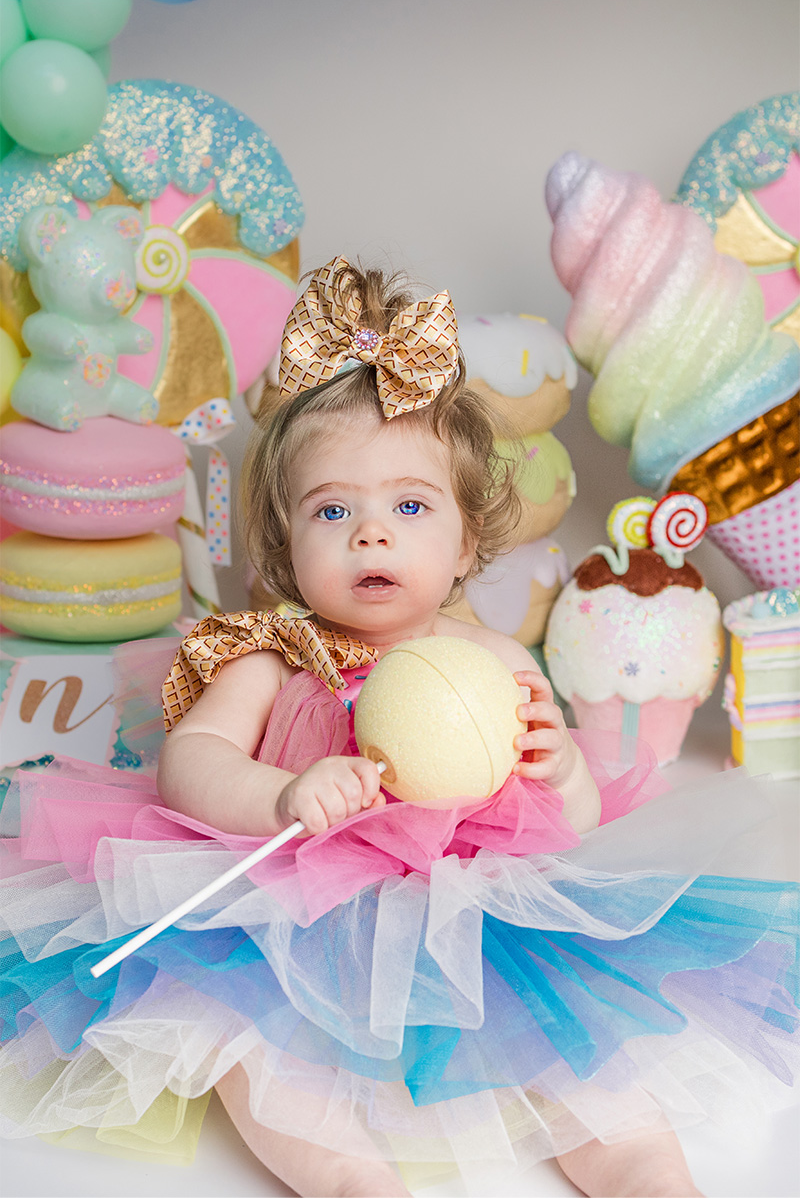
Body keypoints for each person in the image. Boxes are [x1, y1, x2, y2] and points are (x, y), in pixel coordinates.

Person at [1, 260, 797, 1198]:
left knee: (575, 1049)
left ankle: (641, 1172)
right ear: (286, 546)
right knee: (244, 1042)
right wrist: (281, 793)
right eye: (332, 510)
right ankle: (348, 1181)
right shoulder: (276, 658)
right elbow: (191, 763)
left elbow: (573, 827)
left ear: (465, 541)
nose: (370, 534)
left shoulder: (494, 663)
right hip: (291, 919)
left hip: (477, 914)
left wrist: (561, 765)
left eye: (409, 506)